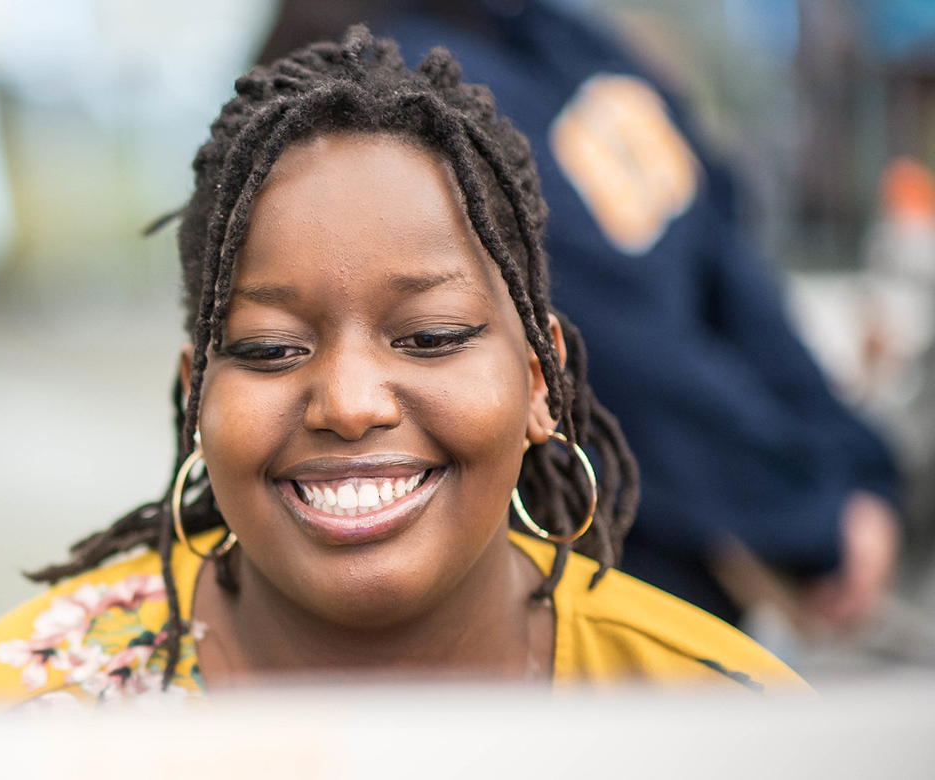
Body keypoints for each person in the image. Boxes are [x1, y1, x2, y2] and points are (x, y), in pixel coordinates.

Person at [0, 28, 802, 709]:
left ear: (541, 381)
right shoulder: (10, 723)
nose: (347, 402)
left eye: (431, 336)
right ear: (195, 397)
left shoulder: (724, 716)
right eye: (268, 350)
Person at [250, 0, 904, 632]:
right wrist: (814, 516)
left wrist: (852, 469)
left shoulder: (565, 43)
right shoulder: (406, 86)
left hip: (685, 575)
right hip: (565, 597)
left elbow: (723, 258)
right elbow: (624, 356)